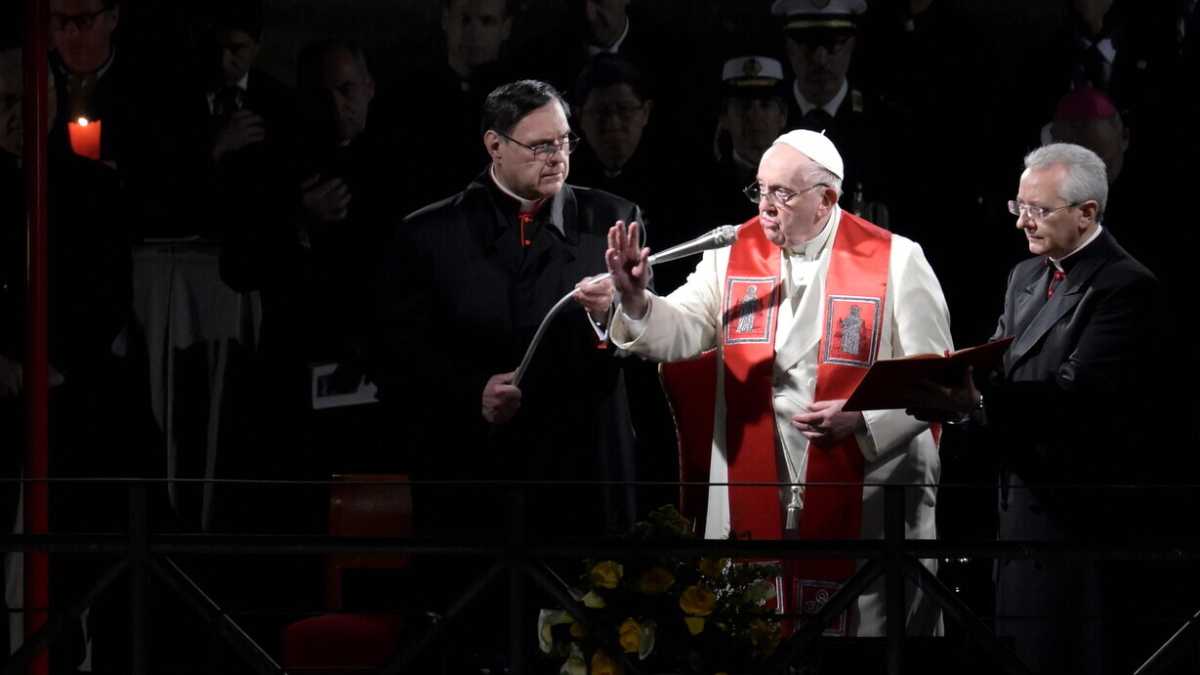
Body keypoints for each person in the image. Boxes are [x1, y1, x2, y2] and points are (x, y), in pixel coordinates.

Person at [603, 129, 953, 637]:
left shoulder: (896, 260)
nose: (765, 206)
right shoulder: (730, 254)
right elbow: (682, 331)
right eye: (760, 190)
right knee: (756, 635)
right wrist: (637, 301)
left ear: (826, 199)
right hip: (756, 477)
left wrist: (863, 420)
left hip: (867, 487)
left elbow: (936, 379)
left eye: (782, 194)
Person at [909, 142, 1161, 674]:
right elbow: (996, 365)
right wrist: (945, 381)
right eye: (1018, 206)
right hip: (1017, 514)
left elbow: (1075, 400)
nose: (1022, 221)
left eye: (1038, 210)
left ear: (1087, 213)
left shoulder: (1125, 288)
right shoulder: (1025, 277)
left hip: (1079, 525)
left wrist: (977, 400)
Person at [372, 79, 643, 538]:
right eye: (540, 146)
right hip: (472, 474)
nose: (557, 157)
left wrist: (611, 315)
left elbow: (649, 346)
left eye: (563, 141)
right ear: (494, 146)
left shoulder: (613, 222)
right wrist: (471, 391)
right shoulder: (429, 235)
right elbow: (397, 355)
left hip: (582, 475)